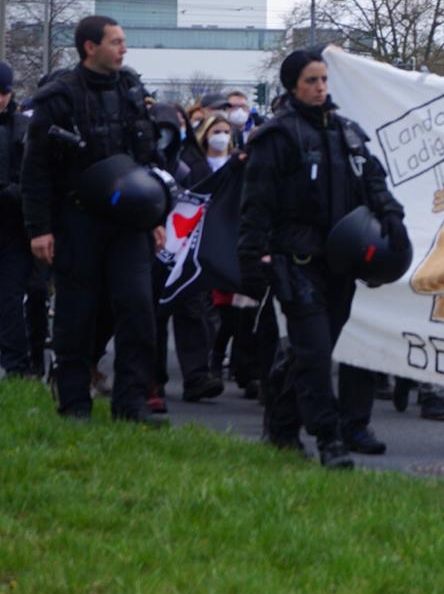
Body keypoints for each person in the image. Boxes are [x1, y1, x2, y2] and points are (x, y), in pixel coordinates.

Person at [238, 48, 410, 468]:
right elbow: (255, 203)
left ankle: (280, 427)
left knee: (309, 352)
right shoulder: (279, 136)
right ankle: (329, 439)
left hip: (341, 262)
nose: (320, 88)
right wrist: (250, 258)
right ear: (294, 85)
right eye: (311, 81)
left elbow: (373, 181)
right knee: (314, 354)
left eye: (324, 80)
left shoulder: (347, 133)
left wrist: (392, 217)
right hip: (296, 260)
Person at [21, 16, 167, 423]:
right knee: (75, 314)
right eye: (116, 42)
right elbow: (36, 171)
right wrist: (40, 229)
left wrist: (156, 216)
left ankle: (132, 402)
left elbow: (148, 159)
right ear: (90, 47)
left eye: (124, 41)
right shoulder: (58, 98)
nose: (124, 49)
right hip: (78, 220)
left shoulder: (133, 92)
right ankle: (73, 402)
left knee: (138, 310)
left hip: (130, 223)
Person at [149, 114, 232, 410]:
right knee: (153, 315)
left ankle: (197, 376)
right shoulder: (146, 161)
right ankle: (152, 377)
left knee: (192, 309)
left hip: (186, 249)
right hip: (152, 247)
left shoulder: (189, 166)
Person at [0, 60, 35, 378]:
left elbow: (33, 180)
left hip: (13, 226)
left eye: (3, 92)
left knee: (10, 298)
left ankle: (16, 365)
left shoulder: (23, 129)